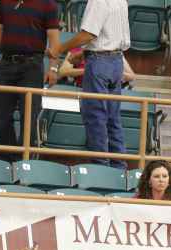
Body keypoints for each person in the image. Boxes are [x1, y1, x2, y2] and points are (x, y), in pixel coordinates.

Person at [48, 0, 130, 169]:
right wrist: (84, 53)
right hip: (116, 60)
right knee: (113, 118)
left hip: (100, 62)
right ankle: (119, 168)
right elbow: (107, 35)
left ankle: (100, 168)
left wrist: (59, 49)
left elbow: (88, 35)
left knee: (96, 117)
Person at [0, 0, 60, 148]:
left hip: (32, 65)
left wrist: (53, 68)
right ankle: (9, 156)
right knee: (1, 114)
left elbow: (54, 38)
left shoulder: (48, 4)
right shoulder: (5, 1)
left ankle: (24, 158)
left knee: (29, 116)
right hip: (7, 62)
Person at [54, 47, 135, 88]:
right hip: (83, 89)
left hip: (107, 90)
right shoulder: (77, 50)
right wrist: (88, 70)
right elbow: (63, 71)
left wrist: (109, 72)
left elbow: (131, 76)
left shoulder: (115, 51)